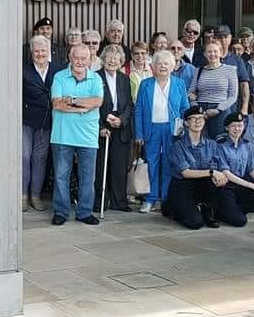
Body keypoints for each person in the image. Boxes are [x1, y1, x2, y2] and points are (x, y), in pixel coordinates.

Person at [49, 44, 104, 226]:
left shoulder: (95, 78)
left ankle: (84, 212)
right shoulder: (59, 77)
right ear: (70, 58)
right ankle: (61, 211)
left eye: (83, 58)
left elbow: (98, 101)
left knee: (88, 177)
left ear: (89, 59)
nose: (80, 62)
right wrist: (83, 108)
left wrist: (72, 101)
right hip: (62, 135)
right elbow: (57, 104)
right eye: (76, 58)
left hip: (88, 136)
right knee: (60, 176)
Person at [134, 50, 190, 214]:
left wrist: (184, 130)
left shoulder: (179, 84)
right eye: (160, 63)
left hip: (171, 130)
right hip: (151, 129)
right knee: (152, 164)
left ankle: (165, 199)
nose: (163, 66)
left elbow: (185, 108)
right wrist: (139, 134)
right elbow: (138, 110)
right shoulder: (146, 84)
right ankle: (150, 199)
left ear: (172, 66)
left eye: (167, 63)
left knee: (168, 164)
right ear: (153, 67)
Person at [165, 106, 228, 229]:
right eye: (193, 118)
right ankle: (171, 206)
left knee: (219, 181)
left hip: (202, 185)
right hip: (182, 186)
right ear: (186, 123)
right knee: (195, 223)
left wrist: (217, 175)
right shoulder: (177, 146)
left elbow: (215, 166)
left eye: (201, 118)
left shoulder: (211, 144)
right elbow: (186, 173)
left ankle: (206, 208)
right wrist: (211, 172)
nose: (198, 121)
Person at [23, 35, 62, 212]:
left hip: (47, 121)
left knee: (39, 158)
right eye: (36, 51)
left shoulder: (58, 70)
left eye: (43, 51)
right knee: (24, 157)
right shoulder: (24, 70)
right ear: (31, 53)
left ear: (48, 52)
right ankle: (22, 195)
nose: (40, 54)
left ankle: (36, 195)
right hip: (26, 120)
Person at [213, 112, 254, 227]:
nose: (237, 129)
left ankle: (233, 208)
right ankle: (221, 210)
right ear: (227, 128)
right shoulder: (220, 145)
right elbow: (226, 173)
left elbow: (251, 168)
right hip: (226, 187)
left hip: (240, 185)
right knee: (240, 221)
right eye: (233, 126)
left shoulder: (246, 145)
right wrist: (252, 185)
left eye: (240, 125)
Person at [95, 44, 134, 213]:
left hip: (120, 125)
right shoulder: (94, 77)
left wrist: (122, 120)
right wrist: (102, 124)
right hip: (102, 125)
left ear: (121, 61)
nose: (112, 60)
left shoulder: (125, 78)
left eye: (115, 58)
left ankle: (119, 202)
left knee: (119, 166)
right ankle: (100, 202)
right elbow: (93, 104)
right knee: (100, 166)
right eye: (109, 57)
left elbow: (129, 105)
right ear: (103, 59)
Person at [188, 40, 238, 138]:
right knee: (201, 142)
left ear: (220, 53)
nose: (212, 54)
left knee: (219, 142)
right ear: (205, 54)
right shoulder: (199, 71)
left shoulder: (230, 70)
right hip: (201, 111)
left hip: (220, 111)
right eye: (209, 52)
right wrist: (196, 107)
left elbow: (233, 96)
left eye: (215, 51)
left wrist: (218, 109)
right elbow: (190, 92)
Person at [216, 25, 251, 115]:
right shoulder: (208, 58)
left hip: (232, 108)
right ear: (214, 39)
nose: (223, 40)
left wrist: (244, 107)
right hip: (212, 107)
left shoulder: (237, 60)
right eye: (219, 37)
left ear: (230, 38)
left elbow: (244, 85)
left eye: (225, 37)